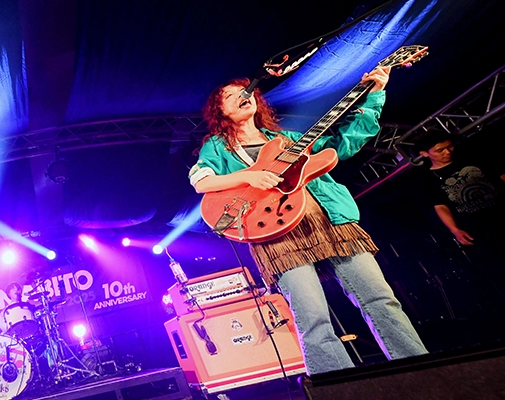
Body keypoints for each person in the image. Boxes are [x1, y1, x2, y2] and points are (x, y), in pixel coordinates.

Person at [189, 68, 427, 374]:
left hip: (331, 222)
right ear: (219, 110)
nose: (242, 96)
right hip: (276, 234)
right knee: (313, 319)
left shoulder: (288, 139)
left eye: (245, 91)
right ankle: (339, 388)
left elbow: (343, 145)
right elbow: (202, 181)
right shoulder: (218, 147)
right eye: (230, 95)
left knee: (381, 299)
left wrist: (374, 94)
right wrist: (250, 176)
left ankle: (419, 370)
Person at [416, 131, 505, 297]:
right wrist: (455, 230)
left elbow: (500, 174)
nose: (447, 152)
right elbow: (440, 206)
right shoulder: (428, 179)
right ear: (425, 154)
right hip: (479, 229)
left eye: (449, 147)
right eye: (440, 150)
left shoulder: (472, 159)